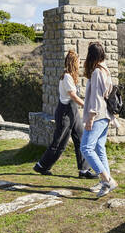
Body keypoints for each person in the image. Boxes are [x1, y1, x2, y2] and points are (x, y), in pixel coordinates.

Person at [33, 50, 97, 179]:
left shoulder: (71, 76)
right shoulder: (67, 76)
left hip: (72, 112)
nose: (80, 63)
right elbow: (72, 96)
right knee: (59, 142)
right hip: (65, 113)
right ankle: (42, 166)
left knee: (81, 138)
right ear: (74, 62)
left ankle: (84, 170)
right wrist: (86, 106)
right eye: (78, 61)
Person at [80, 42, 119, 197]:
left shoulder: (97, 72)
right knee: (99, 148)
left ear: (91, 55)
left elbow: (96, 97)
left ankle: (107, 180)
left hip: (98, 115)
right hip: (105, 115)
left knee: (86, 147)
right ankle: (106, 182)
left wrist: (91, 117)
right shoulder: (105, 69)